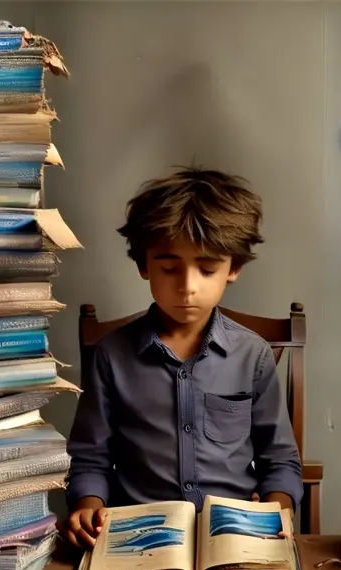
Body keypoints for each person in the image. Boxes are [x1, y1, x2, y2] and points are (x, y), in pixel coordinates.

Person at [60, 167, 303, 549]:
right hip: (140, 537)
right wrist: (88, 506)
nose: (188, 286)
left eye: (207, 269)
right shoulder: (113, 355)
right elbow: (91, 459)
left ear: (233, 268)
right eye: (170, 268)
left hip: (234, 535)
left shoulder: (252, 355)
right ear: (143, 265)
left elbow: (280, 460)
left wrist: (278, 505)